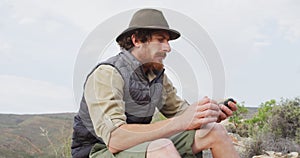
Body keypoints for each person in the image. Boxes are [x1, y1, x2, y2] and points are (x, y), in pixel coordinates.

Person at [71, 8, 240, 158]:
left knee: (214, 131)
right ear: (137, 40)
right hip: (97, 151)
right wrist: (180, 122)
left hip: (137, 146)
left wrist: (208, 113)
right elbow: (116, 138)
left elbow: (181, 113)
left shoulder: (156, 75)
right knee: (162, 148)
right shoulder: (107, 74)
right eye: (160, 40)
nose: (168, 48)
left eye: (168, 41)